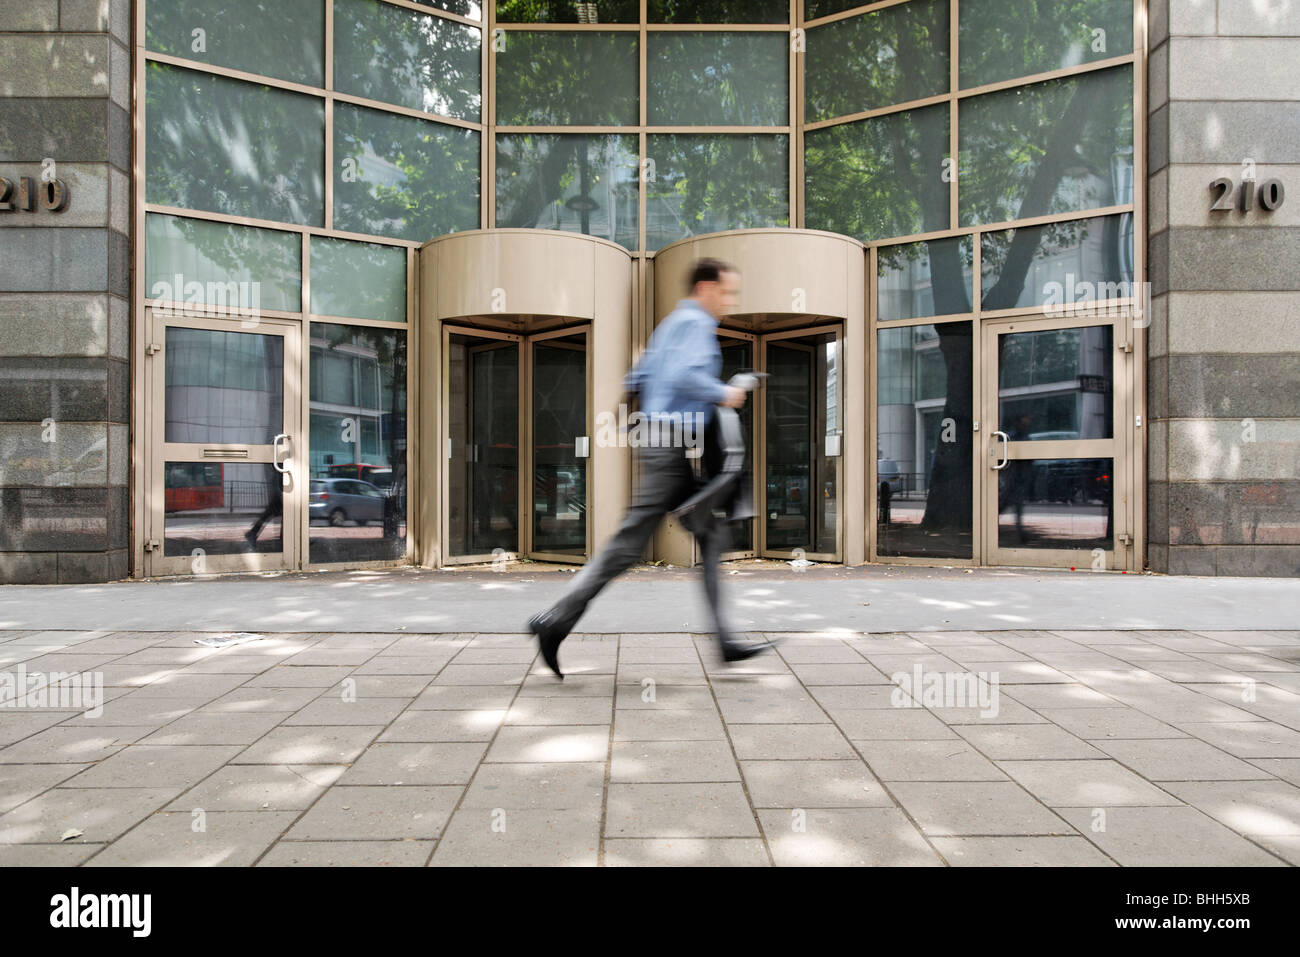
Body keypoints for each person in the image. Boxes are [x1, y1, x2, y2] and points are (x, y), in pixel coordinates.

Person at [527, 258, 773, 677]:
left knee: (710, 535)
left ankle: (725, 640)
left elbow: (637, 377)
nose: (729, 303)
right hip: (669, 446)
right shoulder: (695, 324)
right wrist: (725, 392)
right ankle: (553, 621)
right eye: (727, 292)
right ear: (706, 288)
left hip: (664, 445)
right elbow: (682, 376)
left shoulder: (670, 324)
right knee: (627, 545)